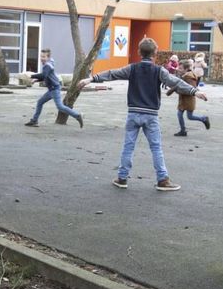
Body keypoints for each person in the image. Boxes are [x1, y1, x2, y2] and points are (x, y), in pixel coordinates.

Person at [78, 37, 206, 191]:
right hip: (151, 115)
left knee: (128, 146)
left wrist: (91, 79)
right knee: (156, 147)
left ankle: (122, 178)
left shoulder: (132, 68)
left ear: (139, 52)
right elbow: (176, 82)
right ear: (155, 54)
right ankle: (162, 179)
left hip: (133, 114)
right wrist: (195, 91)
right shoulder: (159, 71)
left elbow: (112, 74)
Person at [25, 48, 83, 128]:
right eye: (41, 56)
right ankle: (34, 121)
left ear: (48, 58)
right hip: (51, 89)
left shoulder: (47, 66)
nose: (42, 58)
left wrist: (31, 75)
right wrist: (36, 80)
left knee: (60, 107)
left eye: (44, 57)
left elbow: (43, 75)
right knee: (40, 102)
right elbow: (45, 76)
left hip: (54, 89)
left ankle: (77, 115)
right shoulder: (48, 64)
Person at [167, 59, 210, 136]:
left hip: (188, 100)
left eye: (180, 68)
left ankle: (203, 119)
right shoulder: (185, 76)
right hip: (183, 100)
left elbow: (192, 88)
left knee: (189, 116)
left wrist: (176, 89)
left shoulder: (189, 77)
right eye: (178, 67)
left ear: (186, 69)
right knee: (181, 115)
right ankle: (183, 130)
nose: (178, 69)